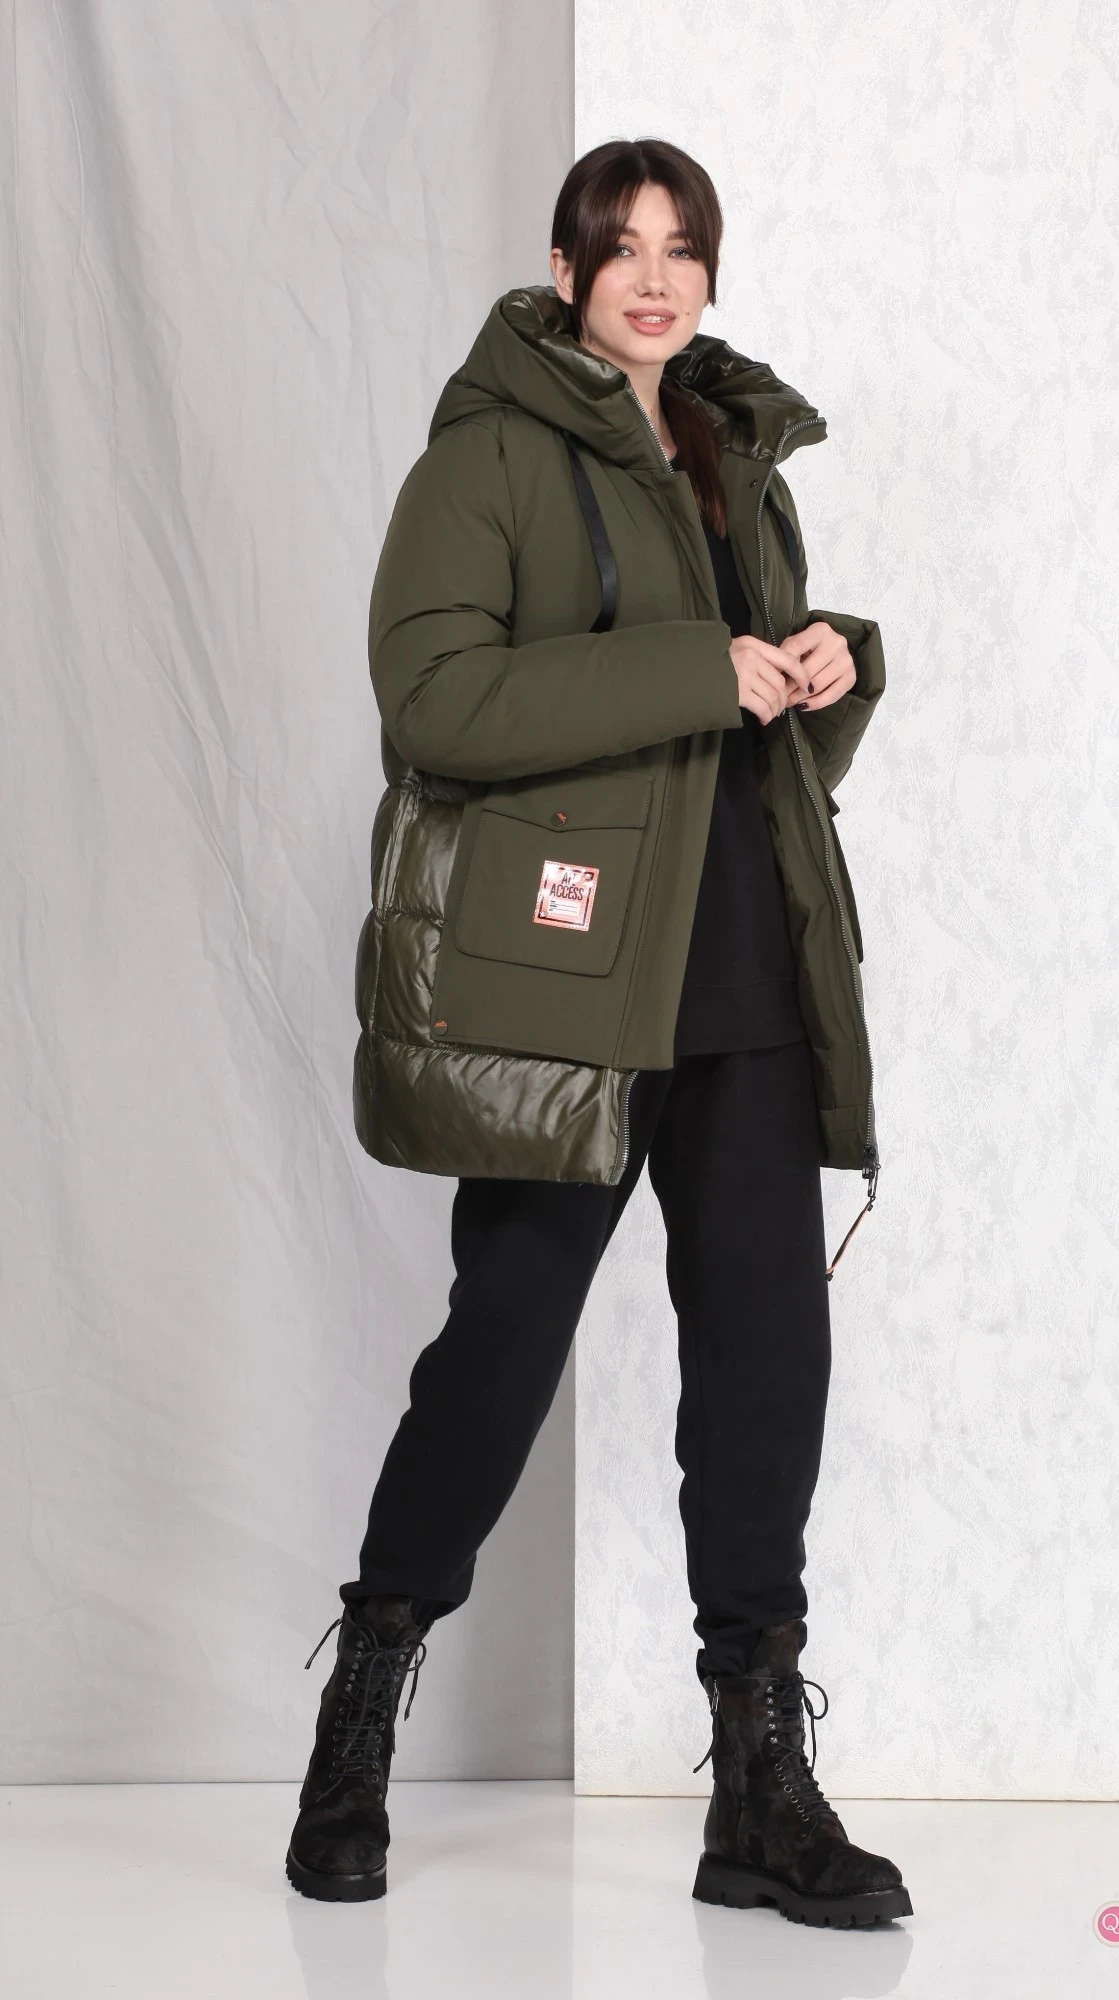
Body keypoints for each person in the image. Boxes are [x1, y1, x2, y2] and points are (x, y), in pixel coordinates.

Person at [285, 136, 913, 1931]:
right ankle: (360, 1708)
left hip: (745, 972)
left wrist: (822, 668)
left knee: (766, 1374)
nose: (654, 278)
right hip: (566, 990)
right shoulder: (485, 456)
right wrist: (698, 668)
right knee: (502, 1349)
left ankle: (760, 1793)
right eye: (619, 248)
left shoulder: (729, 458)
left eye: (682, 249)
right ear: (564, 271)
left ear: (711, 273)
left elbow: (744, 759)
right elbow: (433, 698)